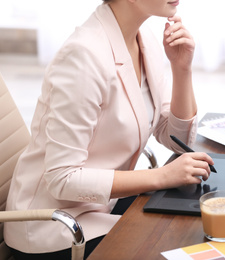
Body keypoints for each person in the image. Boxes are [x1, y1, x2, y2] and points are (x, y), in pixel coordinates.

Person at [4, 0, 214, 259]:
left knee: (197, 220)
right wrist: (162, 175)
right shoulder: (83, 56)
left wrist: (182, 68)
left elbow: (175, 139)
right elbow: (61, 178)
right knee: (177, 241)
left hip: (102, 204)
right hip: (54, 228)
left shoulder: (144, 39)